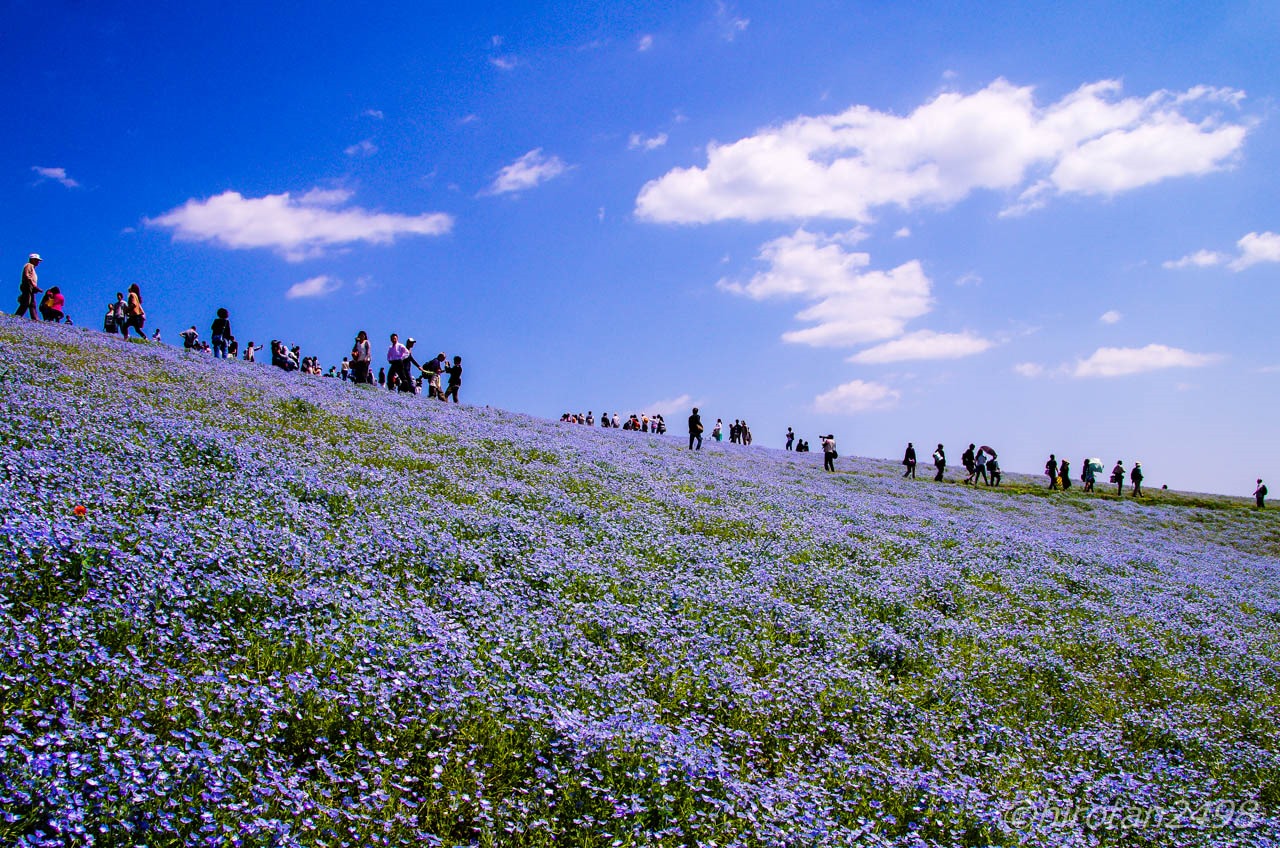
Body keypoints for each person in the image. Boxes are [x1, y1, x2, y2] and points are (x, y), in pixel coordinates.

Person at [17, 254, 42, 320]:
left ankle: (35, 318)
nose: (38, 262)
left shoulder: (32, 267)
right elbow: (27, 276)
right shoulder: (29, 265)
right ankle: (17, 316)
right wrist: (34, 286)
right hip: (27, 285)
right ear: (32, 260)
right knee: (26, 302)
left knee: (32, 304)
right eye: (37, 260)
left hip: (31, 287)